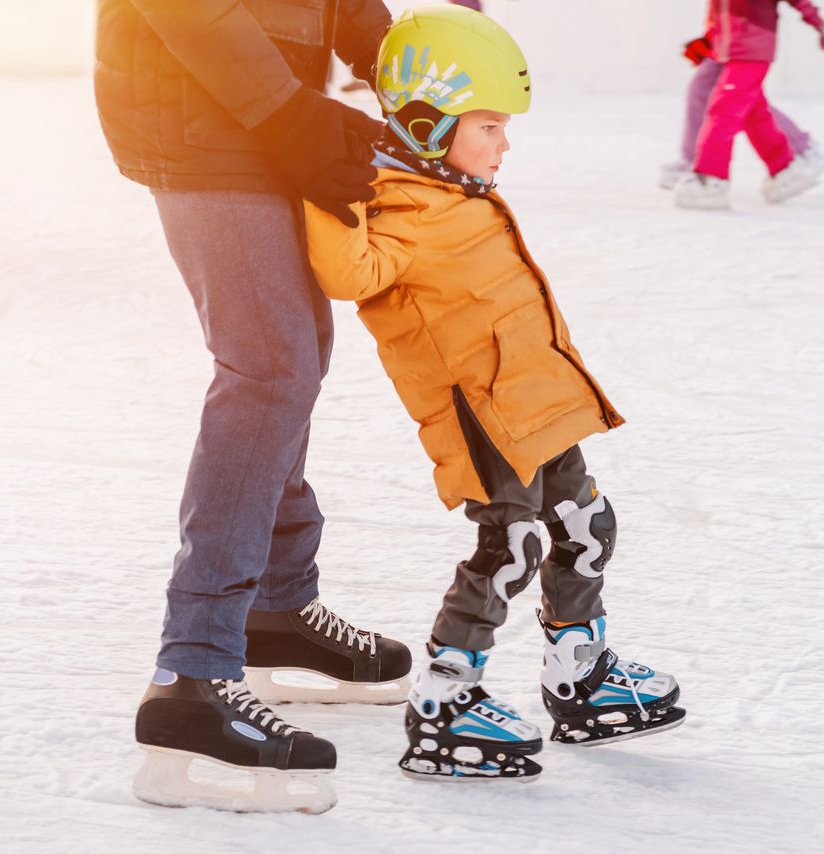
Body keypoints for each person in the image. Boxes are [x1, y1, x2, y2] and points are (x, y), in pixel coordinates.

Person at [304, 5, 686, 782]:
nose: (504, 144)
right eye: (489, 126)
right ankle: (445, 703)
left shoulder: (450, 188)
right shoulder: (397, 202)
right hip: (482, 412)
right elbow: (349, 272)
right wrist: (325, 189)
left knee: (585, 524)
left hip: (537, 398)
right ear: (425, 125)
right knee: (511, 546)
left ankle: (580, 675)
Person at [94, 0, 413, 814]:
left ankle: (275, 607)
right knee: (270, 368)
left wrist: (410, 74)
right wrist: (289, 114)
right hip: (201, 116)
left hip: (267, 111)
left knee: (296, 355)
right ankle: (191, 676)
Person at [674, 0, 824, 210]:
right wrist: (710, 40)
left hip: (750, 45)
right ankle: (784, 168)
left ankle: (711, 179)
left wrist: (819, 23)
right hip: (727, 45)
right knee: (754, 113)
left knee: (724, 112)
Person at [659, 44, 824, 190]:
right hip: (728, 34)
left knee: (739, 99)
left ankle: (800, 152)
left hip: (743, 38)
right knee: (712, 90)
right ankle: (693, 158)